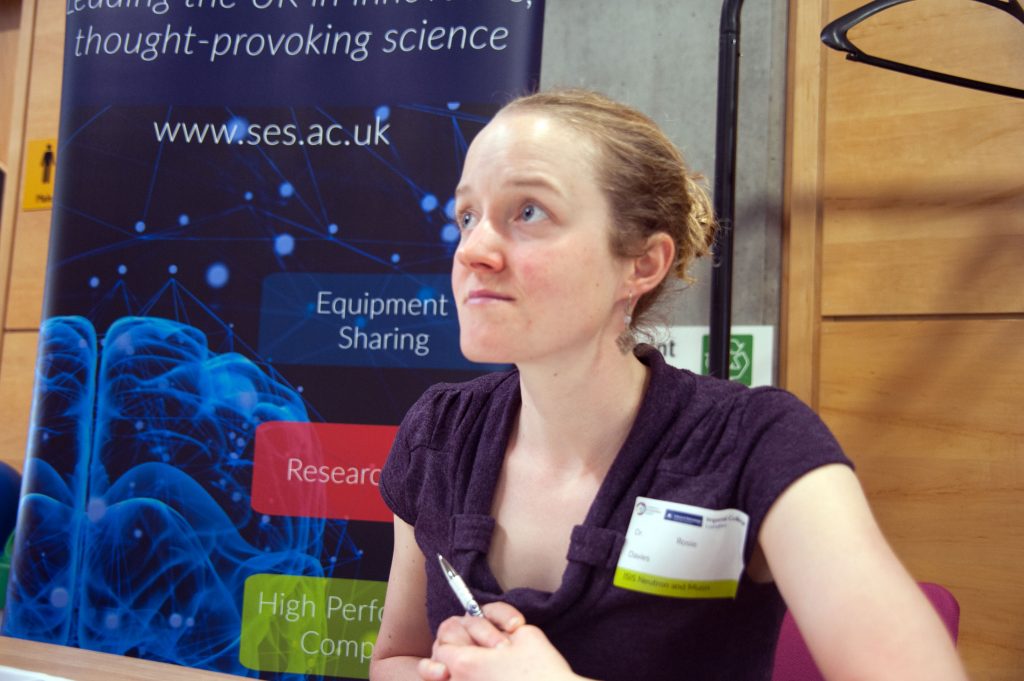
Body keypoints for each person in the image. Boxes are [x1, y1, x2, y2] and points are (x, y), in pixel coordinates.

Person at [369, 89, 967, 681]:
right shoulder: (439, 434)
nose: (473, 250)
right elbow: (393, 661)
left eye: (529, 212)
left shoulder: (757, 444)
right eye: (467, 216)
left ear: (643, 264)